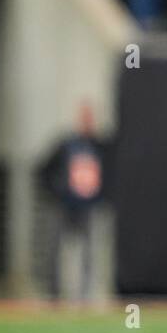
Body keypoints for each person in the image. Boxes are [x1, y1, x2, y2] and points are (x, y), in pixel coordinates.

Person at [39, 102, 110, 301]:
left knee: (89, 253)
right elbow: (44, 170)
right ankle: (54, 294)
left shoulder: (99, 146)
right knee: (55, 250)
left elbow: (108, 175)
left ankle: (84, 296)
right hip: (64, 206)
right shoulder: (66, 145)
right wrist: (56, 192)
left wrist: (102, 198)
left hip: (87, 208)